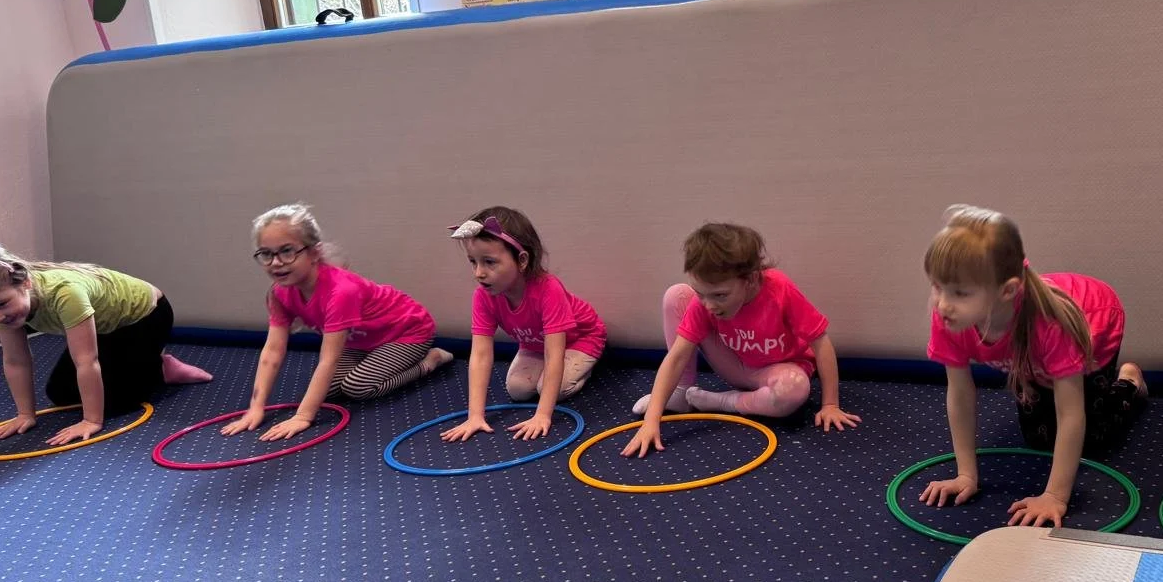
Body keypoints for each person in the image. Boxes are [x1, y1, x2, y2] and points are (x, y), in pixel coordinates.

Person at [920, 205, 1146, 527]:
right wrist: (966, 474)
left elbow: (1071, 414)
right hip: (1035, 354)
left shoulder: (1052, 325)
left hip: (1095, 320)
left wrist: (1055, 496)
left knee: (1091, 438)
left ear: (1007, 290)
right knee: (1039, 438)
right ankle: (1043, 374)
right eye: (937, 286)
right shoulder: (948, 317)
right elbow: (960, 393)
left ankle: (1130, 382)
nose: (942, 304)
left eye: (960, 293)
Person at [622, 223, 859, 457]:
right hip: (734, 364)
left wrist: (830, 405)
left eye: (720, 295)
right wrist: (652, 421)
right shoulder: (705, 302)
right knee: (676, 295)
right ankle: (682, 393)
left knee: (795, 389)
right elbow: (676, 357)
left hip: (779, 372)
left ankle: (722, 401)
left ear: (752, 279)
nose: (709, 305)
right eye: (701, 293)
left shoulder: (779, 289)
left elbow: (820, 341)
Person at [223, 204, 449, 442]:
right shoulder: (279, 293)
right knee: (330, 391)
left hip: (407, 332)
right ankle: (373, 360)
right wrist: (256, 407)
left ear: (313, 253)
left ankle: (430, 361)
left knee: (357, 387)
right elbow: (272, 351)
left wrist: (303, 416)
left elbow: (328, 358)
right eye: (266, 254)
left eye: (287, 251)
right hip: (362, 342)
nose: (276, 262)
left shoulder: (341, 291)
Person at [0, 239, 210, 446]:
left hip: (145, 317)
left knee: (116, 402)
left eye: (1, 305)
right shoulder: (0, 309)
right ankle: (146, 363)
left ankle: (160, 367)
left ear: (25, 282)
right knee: (60, 393)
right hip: (104, 328)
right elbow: (16, 361)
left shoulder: (65, 294)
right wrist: (24, 414)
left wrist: (92, 420)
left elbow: (86, 360)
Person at [442, 207, 606, 443]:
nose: (479, 273)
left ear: (521, 260)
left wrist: (542, 415)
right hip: (534, 343)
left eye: (489, 262)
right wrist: (475, 416)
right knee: (518, 389)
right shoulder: (483, 296)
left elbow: (554, 353)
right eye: (473, 262)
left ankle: (588, 367)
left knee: (552, 391)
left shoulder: (548, 289)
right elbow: (479, 354)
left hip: (580, 338)